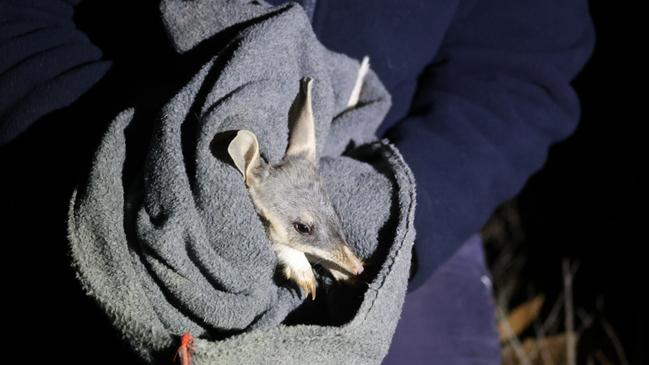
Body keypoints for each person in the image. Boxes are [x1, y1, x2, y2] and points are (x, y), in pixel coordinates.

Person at [0, 0, 594, 363]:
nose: (345, 257)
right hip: (74, 152)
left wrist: (405, 212)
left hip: (387, 162)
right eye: (307, 229)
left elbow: (520, 71)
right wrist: (98, 159)